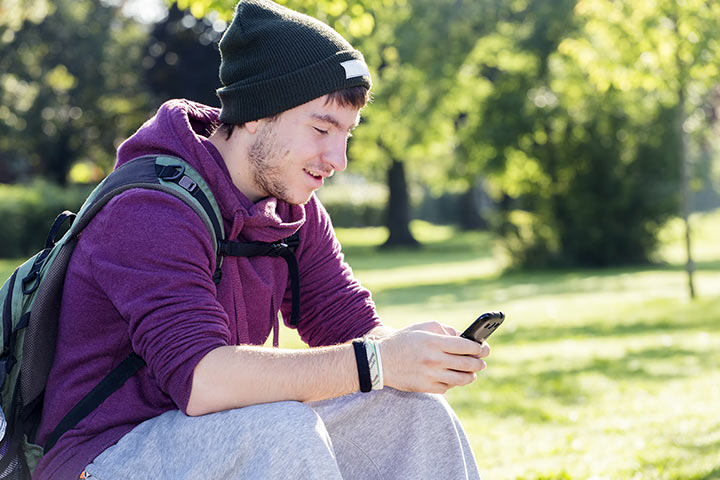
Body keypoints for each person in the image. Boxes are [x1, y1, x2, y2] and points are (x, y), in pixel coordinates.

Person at [33, 1, 491, 479]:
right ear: (256, 113)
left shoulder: (293, 210)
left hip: (222, 433)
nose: (339, 159)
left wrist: (412, 350)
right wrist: (378, 361)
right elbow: (202, 380)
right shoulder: (149, 208)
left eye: (348, 135)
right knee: (278, 428)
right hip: (101, 457)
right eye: (321, 128)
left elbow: (351, 329)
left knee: (413, 412)